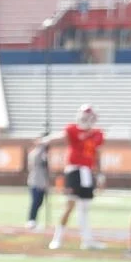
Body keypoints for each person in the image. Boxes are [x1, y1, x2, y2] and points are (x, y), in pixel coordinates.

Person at [49, 104, 105, 250]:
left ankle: (87, 240)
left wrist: (100, 175)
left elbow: (96, 154)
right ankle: (57, 238)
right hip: (74, 170)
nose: (87, 119)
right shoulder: (72, 129)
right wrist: (45, 140)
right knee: (69, 205)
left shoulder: (97, 133)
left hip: (87, 171)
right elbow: (62, 136)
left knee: (85, 207)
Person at [24, 133, 53, 228]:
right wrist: (43, 144)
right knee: (35, 201)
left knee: (40, 202)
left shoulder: (44, 153)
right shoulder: (35, 153)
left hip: (43, 181)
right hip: (35, 181)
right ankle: (31, 220)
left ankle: (34, 220)